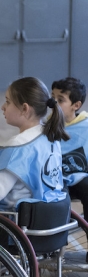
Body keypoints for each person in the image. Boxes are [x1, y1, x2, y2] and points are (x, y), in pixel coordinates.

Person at [0, 77, 69, 212]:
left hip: (14, 223)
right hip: (49, 216)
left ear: (24, 108)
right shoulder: (49, 136)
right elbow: (9, 172)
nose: (2, 107)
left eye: (7, 102)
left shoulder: (18, 146)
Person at [52, 77, 88, 214]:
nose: (53, 102)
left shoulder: (85, 127)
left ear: (76, 105)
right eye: (52, 97)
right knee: (57, 194)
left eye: (60, 100)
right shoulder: (45, 126)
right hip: (54, 177)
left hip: (79, 177)